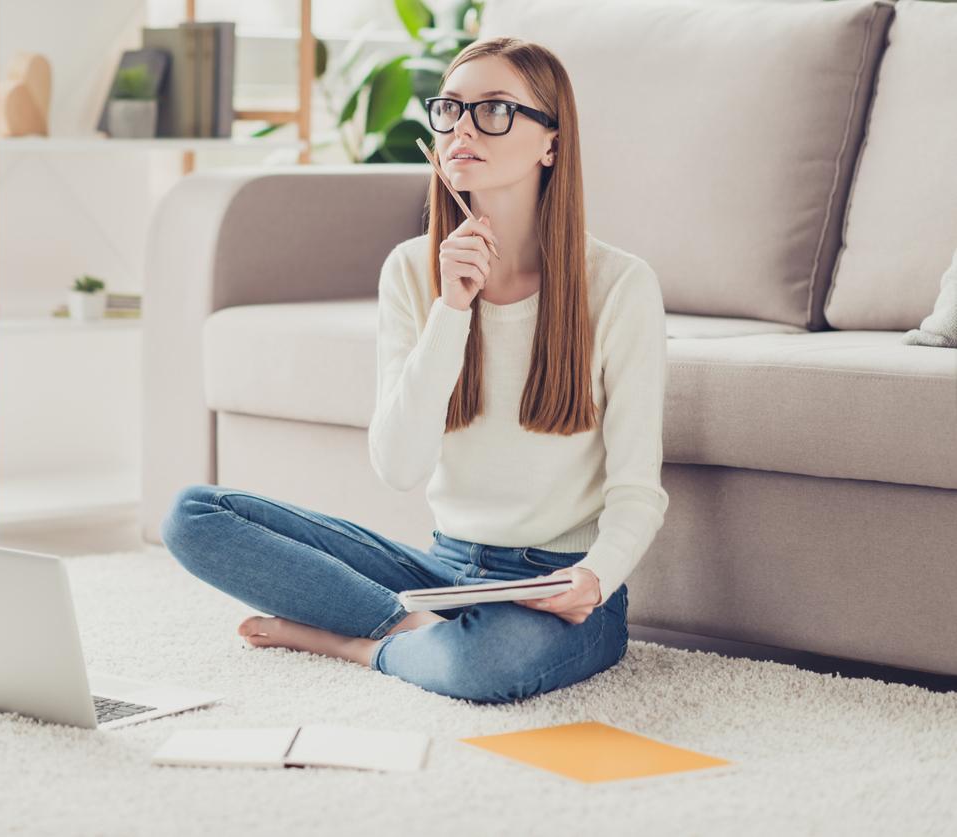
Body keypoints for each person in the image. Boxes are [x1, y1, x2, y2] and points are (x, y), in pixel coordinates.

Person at [160, 36, 669, 704]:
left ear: (551, 141)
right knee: (194, 516)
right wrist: (452, 308)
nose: (463, 127)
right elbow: (399, 466)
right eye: (451, 108)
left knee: (485, 666)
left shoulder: (620, 285)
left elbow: (638, 490)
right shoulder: (410, 270)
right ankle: (415, 628)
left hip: (556, 588)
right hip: (444, 565)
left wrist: (596, 578)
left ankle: (357, 641)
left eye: (493, 110)